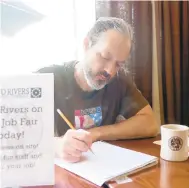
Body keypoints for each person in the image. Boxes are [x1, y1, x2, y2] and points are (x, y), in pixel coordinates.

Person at [37, 17, 159, 162]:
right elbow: (14, 138)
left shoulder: (119, 82)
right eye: (105, 57)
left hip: (102, 170)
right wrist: (56, 146)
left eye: (119, 64)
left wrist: (96, 133)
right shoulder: (47, 79)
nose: (110, 71)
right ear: (87, 45)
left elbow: (150, 123)